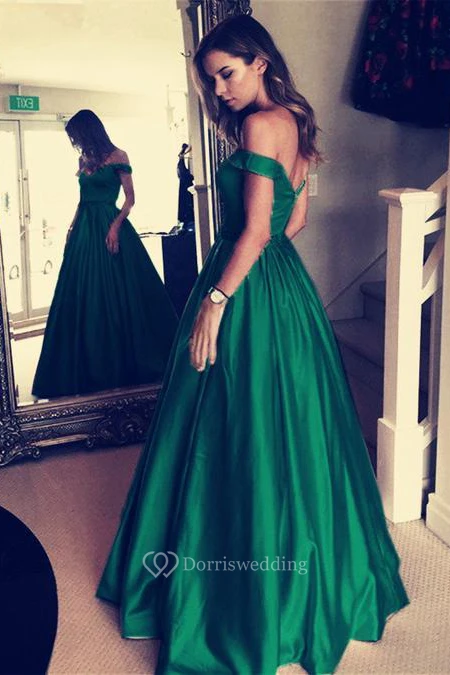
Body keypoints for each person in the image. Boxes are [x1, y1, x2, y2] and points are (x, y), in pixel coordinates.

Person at [96, 16, 409, 674]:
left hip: (242, 284)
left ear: (260, 61)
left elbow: (260, 229)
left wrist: (217, 298)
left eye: (227, 74)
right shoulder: (295, 120)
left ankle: (234, 596)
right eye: (211, 80)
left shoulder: (263, 124)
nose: (220, 89)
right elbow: (295, 219)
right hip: (281, 288)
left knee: (232, 424)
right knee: (285, 426)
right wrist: (262, 271)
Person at [32, 110, 178, 398]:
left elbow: (130, 199)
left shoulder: (119, 156)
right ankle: (82, 365)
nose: (75, 141)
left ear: (89, 130)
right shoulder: (83, 159)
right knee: (81, 293)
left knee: (120, 291)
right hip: (84, 228)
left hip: (109, 224)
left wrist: (115, 226)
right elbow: (82, 200)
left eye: (76, 135)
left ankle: (125, 361)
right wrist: (72, 227)